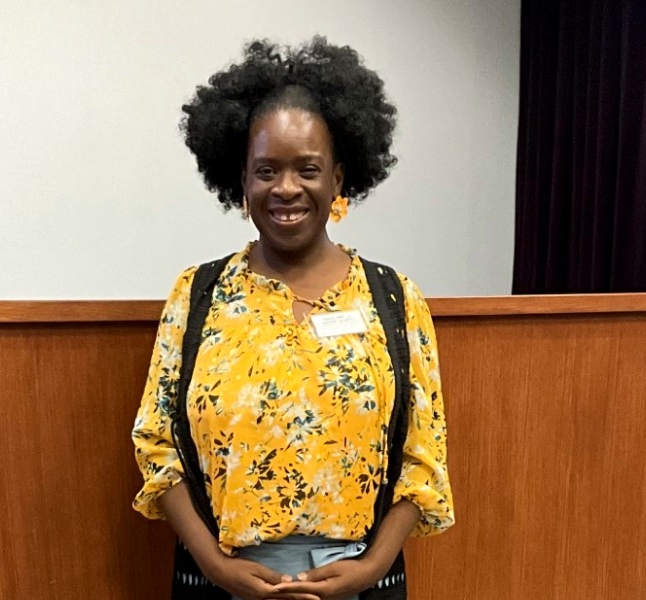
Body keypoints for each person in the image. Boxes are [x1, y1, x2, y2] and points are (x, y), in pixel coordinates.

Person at [132, 38, 454, 600]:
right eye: (266, 170)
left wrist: (372, 566)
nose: (286, 189)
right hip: (225, 580)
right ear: (241, 181)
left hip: (360, 580)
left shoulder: (395, 299)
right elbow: (157, 444)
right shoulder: (198, 294)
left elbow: (423, 455)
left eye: (308, 169)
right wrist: (215, 565)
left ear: (339, 178)